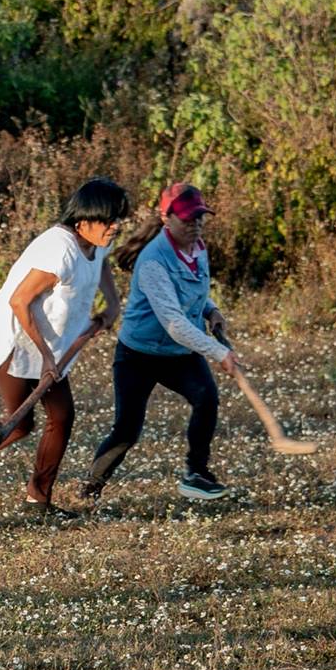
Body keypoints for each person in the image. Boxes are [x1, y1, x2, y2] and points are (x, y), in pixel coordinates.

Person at [0, 178, 130, 518]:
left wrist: (112, 303)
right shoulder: (60, 250)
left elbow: (102, 264)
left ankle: (37, 500)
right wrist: (46, 357)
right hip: (14, 342)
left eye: (118, 219)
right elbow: (19, 301)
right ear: (82, 221)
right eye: (108, 220)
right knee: (20, 424)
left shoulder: (97, 242)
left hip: (54, 347)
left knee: (62, 416)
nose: (115, 226)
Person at [78, 182, 241, 503]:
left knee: (206, 399)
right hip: (138, 355)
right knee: (127, 430)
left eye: (199, 218)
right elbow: (174, 322)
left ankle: (196, 474)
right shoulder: (153, 261)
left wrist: (212, 310)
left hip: (178, 353)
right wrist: (219, 351)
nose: (195, 225)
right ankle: (90, 488)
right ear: (167, 219)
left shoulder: (198, 248)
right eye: (187, 220)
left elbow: (194, 292)